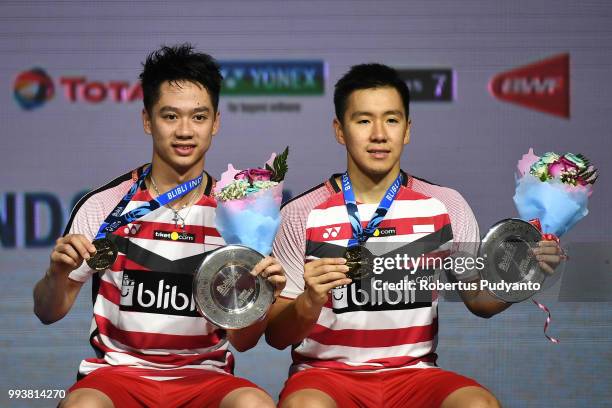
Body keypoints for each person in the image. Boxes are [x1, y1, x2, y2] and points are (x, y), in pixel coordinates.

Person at [265, 63, 562, 408]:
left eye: (391, 120)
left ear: (407, 129)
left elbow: (480, 301)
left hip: (416, 375)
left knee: (478, 404)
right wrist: (309, 301)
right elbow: (275, 335)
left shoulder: (446, 204)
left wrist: (527, 273)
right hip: (325, 377)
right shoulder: (300, 213)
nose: (379, 134)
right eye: (363, 121)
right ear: (340, 130)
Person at [33, 44, 285, 408]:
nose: (185, 131)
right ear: (147, 120)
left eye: (198, 117)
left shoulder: (240, 215)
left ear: (215, 122)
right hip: (117, 376)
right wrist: (57, 275)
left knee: (254, 404)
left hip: (205, 377)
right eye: (170, 116)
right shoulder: (105, 205)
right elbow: (46, 312)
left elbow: (243, 340)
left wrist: (261, 298)